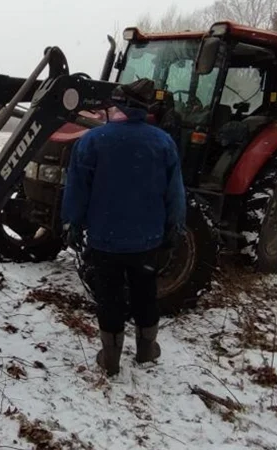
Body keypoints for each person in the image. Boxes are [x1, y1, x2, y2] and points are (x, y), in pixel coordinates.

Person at [61, 78, 186, 377]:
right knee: (145, 292)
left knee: (111, 297)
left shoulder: (92, 141)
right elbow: (175, 192)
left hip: (106, 239)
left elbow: (77, 189)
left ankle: (111, 356)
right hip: (147, 239)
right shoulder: (162, 142)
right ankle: (146, 350)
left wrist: (72, 223)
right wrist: (175, 225)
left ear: (117, 105)